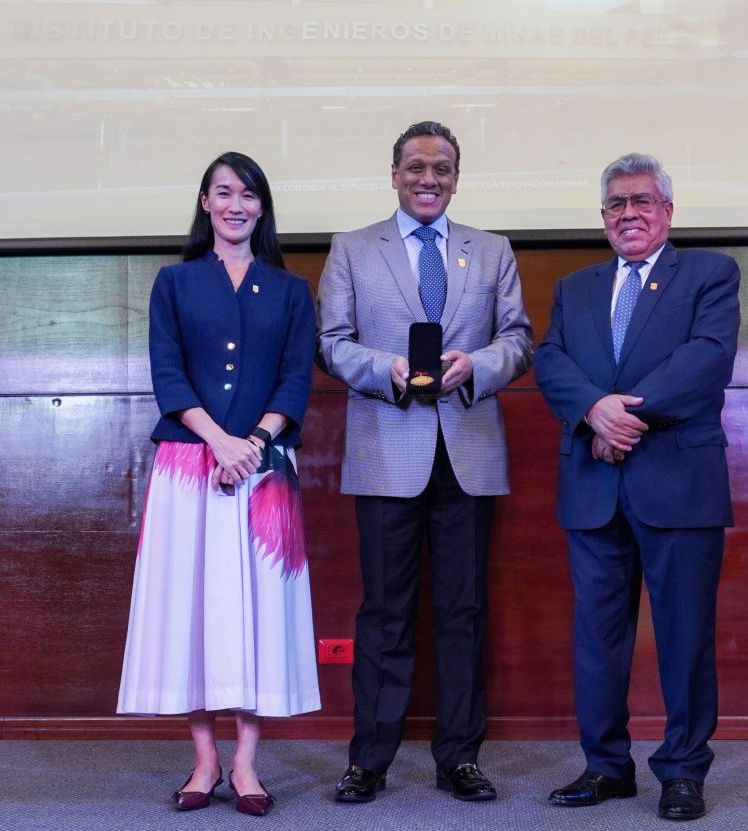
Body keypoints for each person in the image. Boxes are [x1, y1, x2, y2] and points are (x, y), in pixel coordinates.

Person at [318, 121, 532, 803]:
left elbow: (518, 339)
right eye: (416, 166)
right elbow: (333, 343)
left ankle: (460, 758)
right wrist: (388, 368)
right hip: (387, 449)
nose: (428, 178)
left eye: (442, 167)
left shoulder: (492, 250)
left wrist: (479, 365)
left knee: (463, 610)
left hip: (470, 448)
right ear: (394, 174)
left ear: (457, 178)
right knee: (385, 612)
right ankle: (369, 760)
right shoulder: (352, 248)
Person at [533, 153, 740, 821]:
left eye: (642, 201)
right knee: (598, 637)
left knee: (684, 635)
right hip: (592, 484)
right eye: (616, 204)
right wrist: (592, 410)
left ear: (667, 211)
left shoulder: (709, 273)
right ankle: (605, 766)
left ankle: (682, 770)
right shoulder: (576, 287)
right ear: (603, 217)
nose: (629, 213)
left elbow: (707, 358)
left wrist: (621, 417)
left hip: (679, 482)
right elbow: (550, 360)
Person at [117, 151, 319, 818]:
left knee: (258, 613)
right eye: (224, 192)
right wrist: (218, 441)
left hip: (265, 471)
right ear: (205, 202)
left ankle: (246, 763)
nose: (237, 204)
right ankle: (204, 760)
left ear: (262, 207)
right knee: (193, 608)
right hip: (189, 464)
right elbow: (168, 374)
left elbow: (295, 378)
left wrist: (252, 442)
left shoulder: (290, 290)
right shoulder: (175, 283)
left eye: (248, 194)